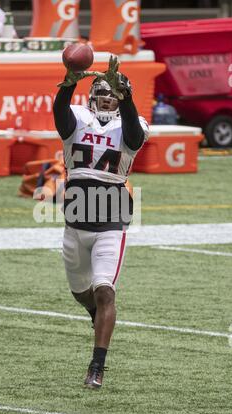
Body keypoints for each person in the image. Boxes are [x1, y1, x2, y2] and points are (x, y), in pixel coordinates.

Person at [53, 56, 149, 389]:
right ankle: (97, 318)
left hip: (111, 221)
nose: (108, 97)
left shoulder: (134, 122)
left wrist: (129, 100)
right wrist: (68, 82)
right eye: (103, 92)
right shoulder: (78, 118)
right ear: (92, 94)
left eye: (115, 93)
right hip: (76, 222)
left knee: (105, 290)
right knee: (82, 293)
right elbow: (60, 117)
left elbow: (134, 139)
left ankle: (97, 366)